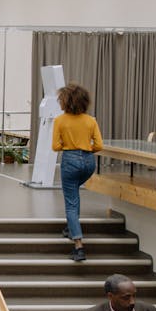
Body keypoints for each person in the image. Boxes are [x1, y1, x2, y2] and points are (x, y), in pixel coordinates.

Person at [51, 83, 103, 262]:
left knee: (71, 202)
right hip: (88, 162)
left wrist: (70, 147)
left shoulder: (60, 120)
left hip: (70, 161)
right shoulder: (90, 120)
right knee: (74, 195)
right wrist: (85, 150)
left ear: (64, 101)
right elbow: (99, 145)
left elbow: (55, 146)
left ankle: (79, 247)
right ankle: (70, 227)